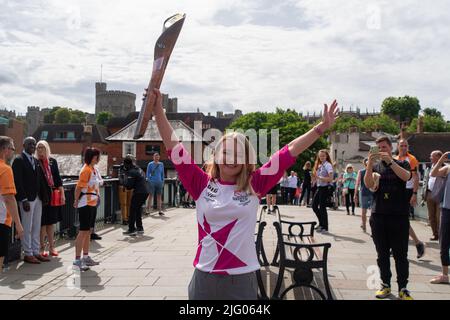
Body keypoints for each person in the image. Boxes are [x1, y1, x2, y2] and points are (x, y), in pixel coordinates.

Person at [149, 87, 338, 300]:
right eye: (226, 153)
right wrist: (157, 111)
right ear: (216, 155)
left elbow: (289, 150)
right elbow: (174, 147)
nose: (231, 159)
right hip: (204, 279)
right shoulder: (200, 183)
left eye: (238, 154)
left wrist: (321, 128)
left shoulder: (255, 183)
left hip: (242, 279)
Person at [365, 136, 413, 300]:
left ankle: (403, 287)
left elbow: (407, 177)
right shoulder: (375, 165)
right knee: (382, 254)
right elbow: (369, 184)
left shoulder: (402, 163)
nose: (382, 150)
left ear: (391, 148)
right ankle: (385, 285)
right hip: (379, 215)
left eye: (384, 147)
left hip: (398, 215)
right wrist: (370, 165)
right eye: (379, 148)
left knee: (401, 254)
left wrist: (391, 162)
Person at [12, 137, 50, 264]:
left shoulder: (35, 160)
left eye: (34, 144)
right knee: (27, 227)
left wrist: (43, 196)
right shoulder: (18, 160)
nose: (33, 146)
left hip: (37, 198)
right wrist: (23, 199)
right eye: (30, 144)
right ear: (23, 145)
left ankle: (35, 251)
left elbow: (39, 180)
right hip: (27, 200)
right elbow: (17, 181)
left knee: (36, 226)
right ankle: (27, 253)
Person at [395, 139, 425, 259]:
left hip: (407, 191)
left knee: (402, 219)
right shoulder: (395, 158)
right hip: (397, 191)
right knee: (398, 219)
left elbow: (416, 178)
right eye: (401, 145)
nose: (403, 148)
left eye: (405, 146)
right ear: (397, 146)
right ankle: (414, 243)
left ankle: (417, 243)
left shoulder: (411, 159)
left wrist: (414, 193)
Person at [73, 148, 102, 271]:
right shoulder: (86, 170)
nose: (98, 158)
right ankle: (77, 260)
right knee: (83, 231)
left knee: (88, 231)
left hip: (92, 203)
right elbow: (79, 187)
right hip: (85, 203)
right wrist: (76, 200)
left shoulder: (93, 169)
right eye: (96, 156)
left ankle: (85, 257)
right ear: (91, 157)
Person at [36, 140, 64, 257]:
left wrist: (62, 194)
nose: (39, 150)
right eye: (38, 148)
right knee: (42, 223)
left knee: (51, 222)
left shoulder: (52, 161)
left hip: (52, 195)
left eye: (42, 147)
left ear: (46, 148)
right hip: (41, 196)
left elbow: (58, 179)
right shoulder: (36, 162)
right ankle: (41, 248)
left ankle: (52, 247)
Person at [0, 136, 24, 271]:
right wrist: (19, 226)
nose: (13, 152)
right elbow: (9, 199)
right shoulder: (5, 169)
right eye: (12, 149)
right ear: (5, 150)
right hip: (1, 220)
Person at [429, 151, 450, 284]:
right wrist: (441, 159)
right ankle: (445, 275)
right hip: (447, 209)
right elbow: (433, 174)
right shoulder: (448, 167)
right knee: (444, 242)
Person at [122, 155, 150, 236]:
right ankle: (140, 228)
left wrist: (124, 182)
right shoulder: (139, 169)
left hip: (139, 192)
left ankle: (131, 229)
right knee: (137, 209)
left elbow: (129, 186)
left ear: (127, 164)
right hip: (145, 191)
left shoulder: (131, 171)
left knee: (132, 210)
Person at [422, 150, 443, 241]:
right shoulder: (429, 167)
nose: (430, 157)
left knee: (439, 216)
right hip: (430, 193)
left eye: (432, 156)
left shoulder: (445, 167)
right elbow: (425, 181)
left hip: (440, 194)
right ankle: (435, 234)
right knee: (431, 216)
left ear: (438, 157)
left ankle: (441, 234)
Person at [312, 150, 334, 233]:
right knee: (314, 206)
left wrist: (319, 178)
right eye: (320, 156)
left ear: (326, 156)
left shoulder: (328, 165)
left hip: (325, 188)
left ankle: (325, 227)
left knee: (322, 208)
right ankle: (321, 223)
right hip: (319, 187)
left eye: (323, 156)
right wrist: (315, 179)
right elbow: (317, 176)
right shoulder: (320, 165)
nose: (321, 157)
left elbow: (330, 179)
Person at [354, 159, 373, 232]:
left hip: (370, 193)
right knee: (364, 211)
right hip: (365, 192)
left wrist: (355, 194)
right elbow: (357, 183)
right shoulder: (361, 172)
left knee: (370, 211)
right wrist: (355, 194)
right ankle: (364, 226)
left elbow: (357, 183)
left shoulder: (363, 171)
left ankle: (367, 226)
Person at [118, 160, 133, 225]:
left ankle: (128, 218)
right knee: (124, 204)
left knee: (129, 203)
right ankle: (124, 219)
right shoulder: (121, 168)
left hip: (130, 187)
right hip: (123, 187)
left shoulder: (131, 168)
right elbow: (120, 178)